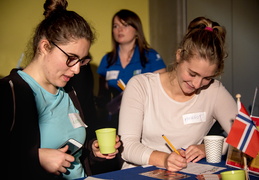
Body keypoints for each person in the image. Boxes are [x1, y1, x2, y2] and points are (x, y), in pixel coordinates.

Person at [0, 0, 121, 179]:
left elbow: (74, 150)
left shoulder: (69, 91)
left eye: (82, 61)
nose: (77, 69)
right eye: (71, 58)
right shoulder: (10, 92)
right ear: (45, 47)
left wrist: (92, 148)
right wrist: (36, 157)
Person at [118, 17, 238, 172]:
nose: (196, 85)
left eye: (207, 78)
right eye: (192, 73)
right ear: (179, 56)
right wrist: (165, 159)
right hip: (139, 172)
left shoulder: (213, 91)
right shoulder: (141, 86)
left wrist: (207, 148)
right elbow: (127, 146)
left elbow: (244, 137)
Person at [97, 9, 167, 129]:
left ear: (136, 30)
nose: (119, 29)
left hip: (145, 118)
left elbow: (163, 91)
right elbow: (102, 96)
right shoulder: (107, 59)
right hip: (114, 119)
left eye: (125, 25)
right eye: (115, 26)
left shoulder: (150, 56)